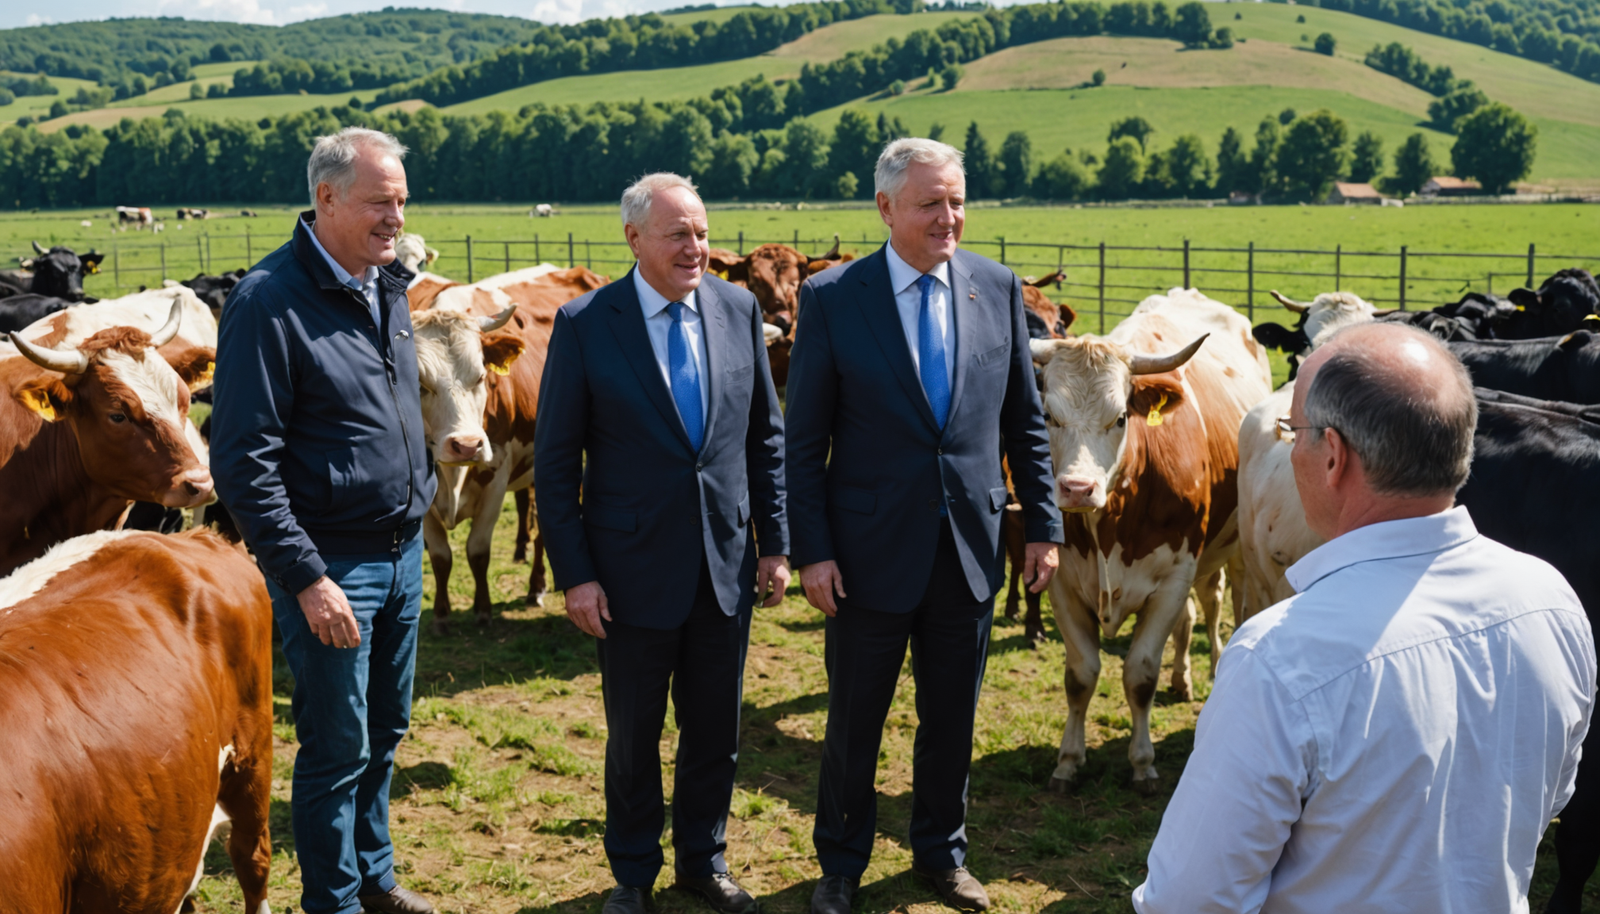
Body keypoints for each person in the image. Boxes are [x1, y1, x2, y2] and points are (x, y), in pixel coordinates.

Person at [1133, 322, 1596, 914]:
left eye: (1291, 431)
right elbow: (1552, 790)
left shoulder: (1280, 658)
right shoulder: (1551, 601)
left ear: (1332, 456)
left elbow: (1189, 900)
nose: (1290, 447)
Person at [784, 137, 1063, 914]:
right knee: (853, 722)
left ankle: (942, 853)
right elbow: (804, 444)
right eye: (930, 203)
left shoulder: (998, 288)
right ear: (885, 208)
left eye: (957, 201)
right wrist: (814, 550)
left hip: (970, 550)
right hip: (866, 555)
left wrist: (1043, 525)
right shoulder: (835, 298)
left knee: (953, 717)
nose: (949, 218)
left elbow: (1025, 424)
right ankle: (840, 862)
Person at [533, 173, 790, 914]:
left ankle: (703, 863)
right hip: (628, 574)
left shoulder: (738, 308)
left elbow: (764, 440)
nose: (696, 246)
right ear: (634, 239)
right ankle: (633, 874)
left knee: (716, 731)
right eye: (678, 233)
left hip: (724, 566)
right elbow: (556, 464)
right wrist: (576, 574)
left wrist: (774, 545)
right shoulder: (586, 322)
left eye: (702, 232)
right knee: (635, 736)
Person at [210, 127, 437, 914]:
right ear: (327, 198)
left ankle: (374, 877)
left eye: (402, 203)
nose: (396, 220)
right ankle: (333, 901)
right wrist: (306, 577)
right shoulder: (269, 302)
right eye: (381, 203)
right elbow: (242, 463)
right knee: (337, 747)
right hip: (334, 566)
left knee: (385, 731)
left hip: (402, 554)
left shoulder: (389, 287)